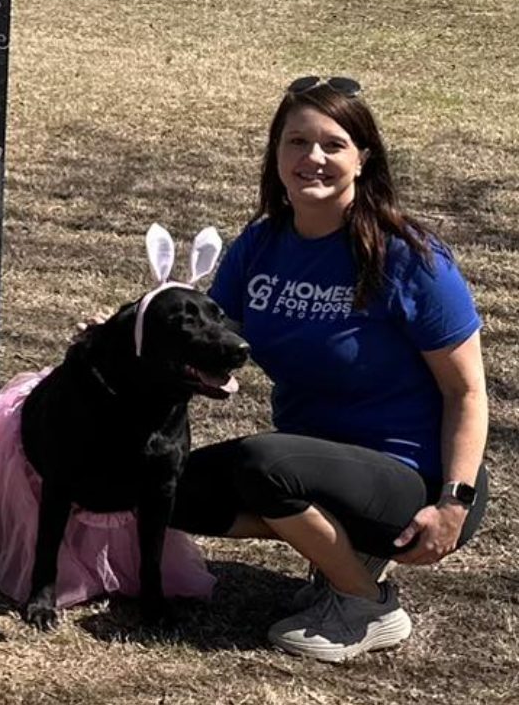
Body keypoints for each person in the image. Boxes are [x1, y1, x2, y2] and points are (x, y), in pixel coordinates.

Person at [170, 75, 490, 662]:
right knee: (171, 490)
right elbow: (216, 338)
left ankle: (366, 603)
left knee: (263, 463)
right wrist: (121, 336)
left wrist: (452, 503)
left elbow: (465, 391)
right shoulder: (261, 244)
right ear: (276, 153)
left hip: (411, 473)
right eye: (296, 142)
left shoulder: (408, 257)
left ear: (362, 159)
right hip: (316, 459)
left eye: (332, 144)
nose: (312, 158)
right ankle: (344, 548)